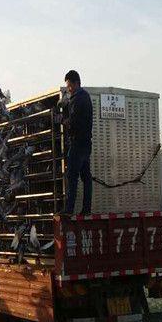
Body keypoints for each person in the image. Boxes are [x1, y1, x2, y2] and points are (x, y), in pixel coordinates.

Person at [60, 70, 92, 216]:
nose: (69, 89)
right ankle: (86, 209)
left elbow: (73, 121)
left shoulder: (77, 98)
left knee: (72, 176)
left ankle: (69, 209)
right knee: (86, 177)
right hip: (86, 143)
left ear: (76, 83)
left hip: (77, 143)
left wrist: (64, 121)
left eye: (69, 86)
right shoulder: (86, 97)